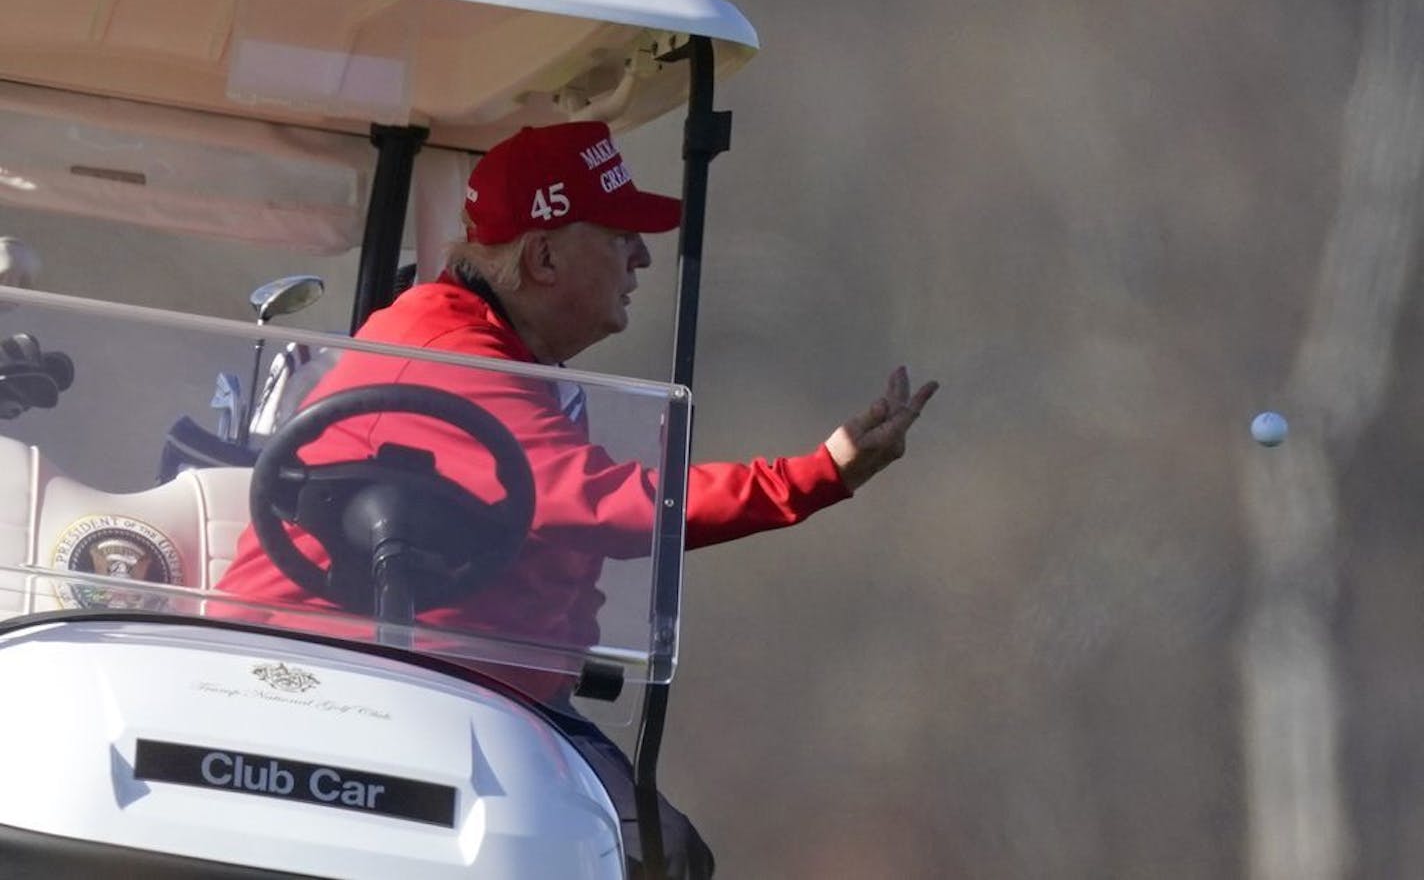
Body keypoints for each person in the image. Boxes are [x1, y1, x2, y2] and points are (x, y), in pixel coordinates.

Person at [216, 121, 937, 878]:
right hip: (341, 680)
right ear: (544, 256)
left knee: (661, 853)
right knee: (642, 854)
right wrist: (819, 473)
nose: (643, 257)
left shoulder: (521, 359)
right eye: (620, 235)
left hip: (473, 688)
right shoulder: (452, 351)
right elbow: (605, 507)